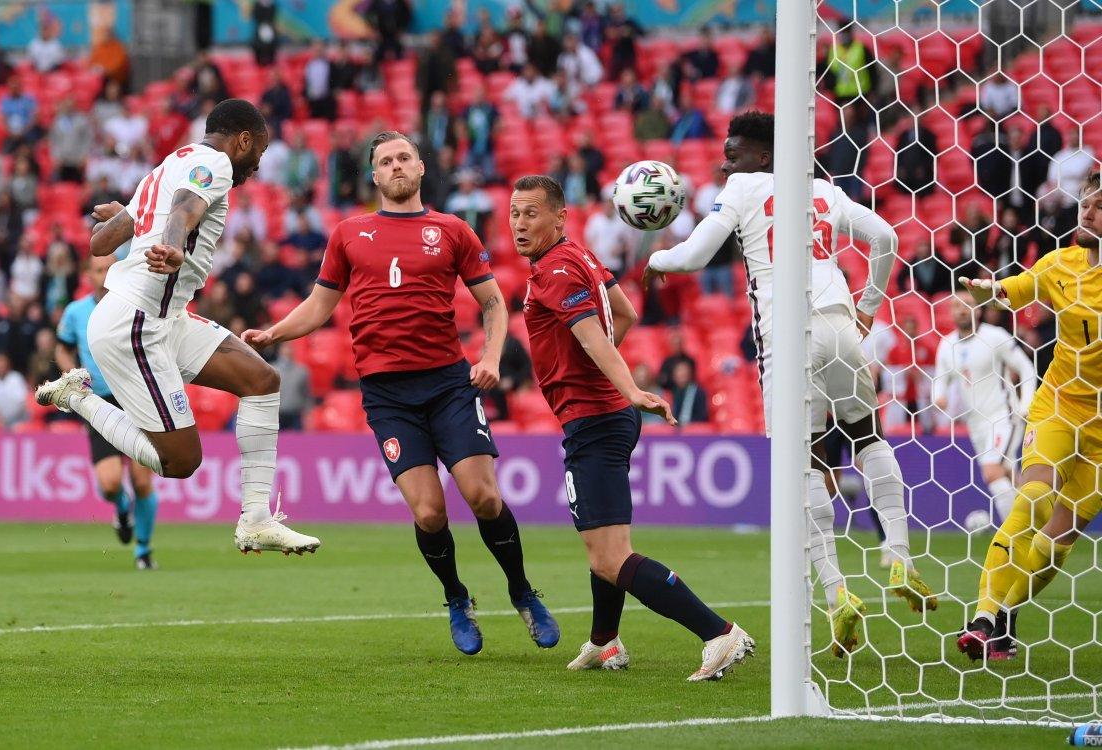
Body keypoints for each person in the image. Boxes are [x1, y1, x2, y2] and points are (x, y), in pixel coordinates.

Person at [243, 131, 559, 656]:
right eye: (384, 161)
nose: (395, 167)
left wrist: (490, 357)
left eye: (403, 158)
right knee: (430, 513)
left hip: (447, 384)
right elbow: (320, 306)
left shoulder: (452, 230)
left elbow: (496, 305)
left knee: (483, 496)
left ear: (420, 166)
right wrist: (274, 333)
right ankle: (457, 597)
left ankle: (522, 591)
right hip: (388, 396)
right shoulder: (348, 233)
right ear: (373, 175)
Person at [644, 111, 937, 658]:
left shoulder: (742, 187)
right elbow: (888, 237)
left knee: (801, 464)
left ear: (761, 156)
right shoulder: (821, 189)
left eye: (734, 153)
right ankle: (898, 554)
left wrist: (655, 258)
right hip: (840, 321)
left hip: (788, 335)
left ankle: (837, 593)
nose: (725, 160)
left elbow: (694, 255)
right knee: (869, 437)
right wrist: (869, 308)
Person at [36, 99, 320, 557]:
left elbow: (98, 243)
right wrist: (169, 245)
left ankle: (256, 520)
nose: (257, 164)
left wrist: (130, 217)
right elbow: (184, 212)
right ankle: (79, 398)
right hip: (136, 322)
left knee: (262, 380)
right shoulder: (217, 163)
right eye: (259, 152)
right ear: (244, 140)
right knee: (181, 461)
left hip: (166, 317)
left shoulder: (168, 166)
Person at [511, 174, 752, 679]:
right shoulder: (580, 256)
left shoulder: (555, 270)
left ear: (559, 218)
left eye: (531, 213)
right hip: (606, 416)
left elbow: (596, 337)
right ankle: (605, 642)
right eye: (514, 213)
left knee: (609, 556)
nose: (519, 223)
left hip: (595, 419)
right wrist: (604, 376)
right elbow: (625, 312)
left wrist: (625, 386)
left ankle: (719, 633)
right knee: (606, 547)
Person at [957, 171, 1102, 662]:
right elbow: (1014, 290)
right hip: (1060, 404)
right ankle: (982, 616)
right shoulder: (1061, 264)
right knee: (1034, 496)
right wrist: (986, 290)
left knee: (1056, 547)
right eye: (1085, 203)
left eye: (1099, 206)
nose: (1087, 211)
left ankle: (1004, 612)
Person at [58, 254, 160, 569]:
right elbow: (62, 346)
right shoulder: (76, 312)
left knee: (142, 480)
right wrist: (71, 376)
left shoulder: (134, 305)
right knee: (110, 483)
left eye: (110, 269)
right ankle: (121, 507)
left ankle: (142, 551)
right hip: (99, 401)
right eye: (98, 270)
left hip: (136, 399)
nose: (104, 275)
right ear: (88, 274)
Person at [933, 291, 1035, 526]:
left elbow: (1026, 368)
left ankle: (1013, 534)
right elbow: (941, 378)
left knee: (991, 471)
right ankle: (1035, 520)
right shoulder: (947, 344)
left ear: (978, 310)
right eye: (955, 305)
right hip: (975, 422)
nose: (961, 309)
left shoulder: (995, 336)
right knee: (1006, 474)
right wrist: (938, 397)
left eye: (967, 304)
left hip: (1003, 415)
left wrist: (1025, 403)